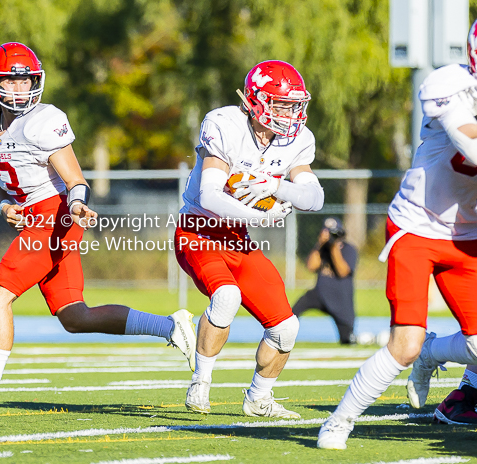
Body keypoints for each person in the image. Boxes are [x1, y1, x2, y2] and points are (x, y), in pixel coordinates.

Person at [0, 42, 196, 413]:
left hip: (56, 215)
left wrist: (76, 205)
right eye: (12, 80)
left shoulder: (43, 121)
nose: (21, 89)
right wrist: (6, 205)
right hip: (34, 216)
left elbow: (75, 178)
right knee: (75, 316)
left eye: (27, 82)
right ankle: (171, 327)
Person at [318, 21, 477, 449]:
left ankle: (433, 352)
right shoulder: (450, 83)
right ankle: (340, 420)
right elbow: (472, 148)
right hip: (418, 226)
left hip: (468, 236)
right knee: (403, 344)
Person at [175, 60, 324, 418]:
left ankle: (259, 398)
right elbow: (210, 196)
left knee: (287, 328)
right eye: (280, 103)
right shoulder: (225, 125)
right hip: (198, 231)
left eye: (293, 105)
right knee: (226, 296)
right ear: (256, 101)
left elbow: (314, 199)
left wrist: (275, 185)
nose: (290, 113)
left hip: (238, 239)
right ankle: (201, 382)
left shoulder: (298, 141)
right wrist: (263, 215)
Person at [292, 217, 357, 345]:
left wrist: (334, 247)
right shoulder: (321, 249)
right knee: (294, 311)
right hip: (320, 293)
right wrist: (319, 244)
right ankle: (284, 334)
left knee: (347, 339)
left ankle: (347, 336)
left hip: (340, 297)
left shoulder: (349, 249)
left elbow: (342, 272)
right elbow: (311, 266)